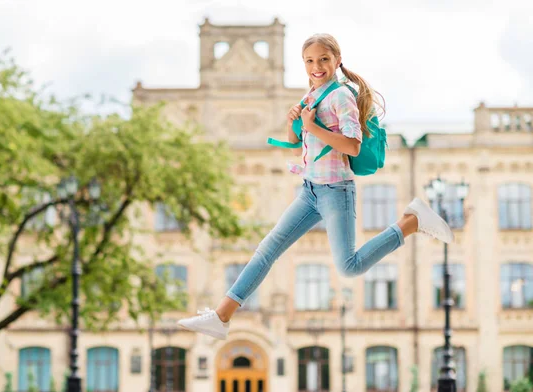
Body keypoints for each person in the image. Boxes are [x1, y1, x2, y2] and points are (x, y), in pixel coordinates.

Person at [177, 33, 452, 340]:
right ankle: (221, 316)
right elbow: (296, 141)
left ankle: (410, 222)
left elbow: (353, 146)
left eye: (323, 59)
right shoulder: (312, 94)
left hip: (336, 191)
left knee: (349, 266)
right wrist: (293, 120)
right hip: (309, 190)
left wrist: (313, 126)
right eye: (309, 60)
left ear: (337, 60)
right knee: (267, 249)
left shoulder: (342, 96)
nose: (316, 66)